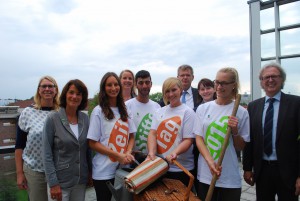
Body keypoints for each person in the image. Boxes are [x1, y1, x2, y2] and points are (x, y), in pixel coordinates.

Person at [243, 62, 300, 201]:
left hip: (288, 171)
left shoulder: (296, 104)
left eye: (274, 76)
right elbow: (250, 140)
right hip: (262, 170)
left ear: (282, 79)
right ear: (261, 82)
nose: (270, 80)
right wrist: (247, 168)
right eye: (266, 77)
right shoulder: (253, 106)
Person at [193, 67, 250, 201]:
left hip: (229, 178)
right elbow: (199, 139)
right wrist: (210, 162)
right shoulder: (203, 108)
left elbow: (240, 147)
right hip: (206, 174)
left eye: (224, 83)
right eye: (217, 82)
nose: (219, 86)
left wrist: (235, 131)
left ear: (234, 85)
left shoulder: (241, 112)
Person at [87, 72, 136, 201]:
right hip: (103, 173)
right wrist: (118, 155)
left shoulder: (125, 109)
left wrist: (128, 152)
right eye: (109, 85)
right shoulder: (98, 111)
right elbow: (92, 143)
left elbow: (131, 136)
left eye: (115, 84)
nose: (113, 88)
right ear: (103, 88)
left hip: (123, 171)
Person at [43, 79, 91, 201]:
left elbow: (88, 150)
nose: (74, 96)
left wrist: (90, 173)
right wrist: (53, 183)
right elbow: (46, 154)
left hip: (80, 181)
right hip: (60, 183)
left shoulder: (85, 119)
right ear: (65, 94)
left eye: (78, 94)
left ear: (82, 97)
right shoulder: (53, 118)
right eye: (71, 92)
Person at [15, 75, 60, 201]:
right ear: (38, 90)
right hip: (34, 171)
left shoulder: (61, 113)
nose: (47, 89)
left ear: (55, 90)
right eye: (43, 86)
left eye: (50, 86)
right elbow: (19, 146)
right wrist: (19, 174)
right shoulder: (28, 113)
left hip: (57, 170)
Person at [147, 77, 196, 186]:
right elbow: (152, 133)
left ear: (181, 90)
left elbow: (188, 140)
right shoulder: (159, 111)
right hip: (160, 167)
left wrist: (175, 153)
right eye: (167, 91)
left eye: (174, 90)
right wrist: (151, 152)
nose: (170, 94)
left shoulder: (188, 112)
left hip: (180, 168)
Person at [125, 70, 160, 155]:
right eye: (141, 83)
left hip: (151, 159)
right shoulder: (127, 106)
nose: (144, 86)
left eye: (147, 82)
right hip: (130, 159)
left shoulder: (157, 107)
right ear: (135, 85)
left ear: (151, 84)